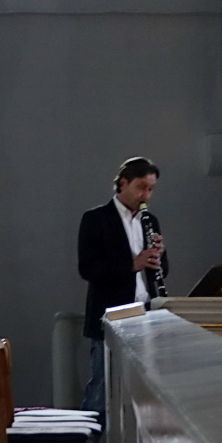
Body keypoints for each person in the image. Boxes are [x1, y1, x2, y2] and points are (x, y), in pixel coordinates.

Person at [77, 157, 169, 424]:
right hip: (110, 315)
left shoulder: (150, 220)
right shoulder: (96, 219)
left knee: (144, 389)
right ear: (122, 183)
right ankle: (89, 442)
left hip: (145, 314)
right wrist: (131, 265)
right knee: (101, 387)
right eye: (141, 187)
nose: (146, 196)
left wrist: (159, 256)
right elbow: (88, 269)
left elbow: (160, 271)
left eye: (151, 189)